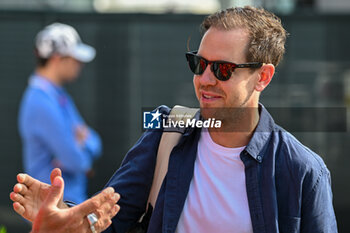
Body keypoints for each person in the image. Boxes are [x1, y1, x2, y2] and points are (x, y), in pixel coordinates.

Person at [11, 6, 338, 233]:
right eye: (199, 63)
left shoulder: (303, 170)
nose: (205, 79)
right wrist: (66, 218)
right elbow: (108, 219)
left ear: (263, 77)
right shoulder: (167, 129)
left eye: (222, 69)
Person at [18, 22, 102, 204]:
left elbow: (95, 143)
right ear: (57, 58)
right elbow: (77, 161)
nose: (79, 64)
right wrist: (80, 148)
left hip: (66, 204)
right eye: (74, 58)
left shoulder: (58, 96)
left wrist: (81, 145)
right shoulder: (40, 102)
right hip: (53, 209)